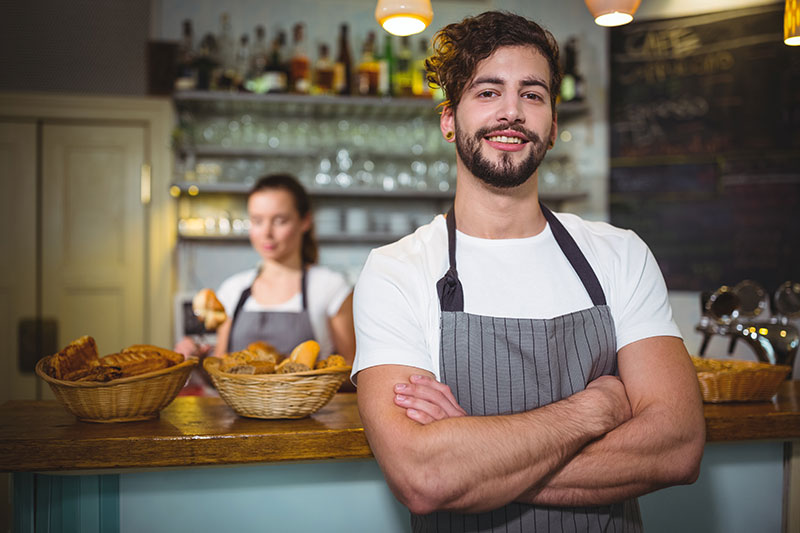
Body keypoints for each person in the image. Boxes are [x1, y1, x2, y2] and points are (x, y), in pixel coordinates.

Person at [351, 11, 706, 532]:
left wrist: (475, 453)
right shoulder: (396, 270)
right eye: (488, 92)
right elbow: (424, 477)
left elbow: (678, 446)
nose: (512, 112)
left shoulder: (619, 254)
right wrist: (593, 411)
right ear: (449, 119)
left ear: (554, 125)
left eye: (533, 94)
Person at [176, 173, 356, 391]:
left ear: (305, 221)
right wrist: (194, 362)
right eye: (257, 221)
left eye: (280, 220)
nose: (267, 233)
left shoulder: (330, 287)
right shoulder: (233, 289)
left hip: (309, 417)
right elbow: (220, 375)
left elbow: (354, 370)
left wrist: (304, 378)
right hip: (240, 419)